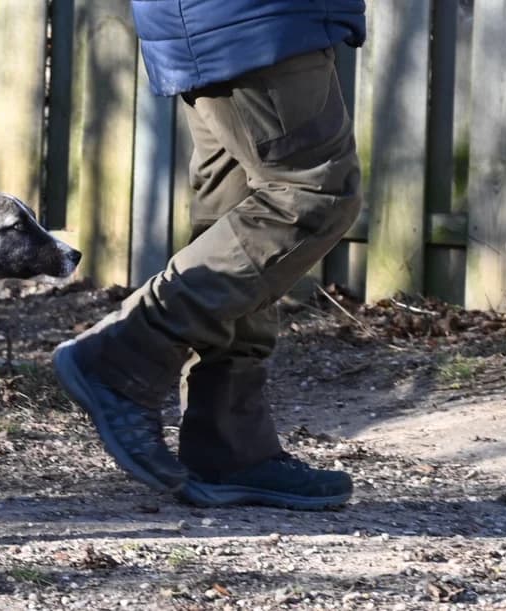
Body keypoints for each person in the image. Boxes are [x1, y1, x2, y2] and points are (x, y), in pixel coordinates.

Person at [52, 0, 367, 510]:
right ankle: (125, 351)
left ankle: (230, 446)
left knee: (243, 208)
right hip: (255, 17)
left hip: (223, 20)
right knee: (313, 193)